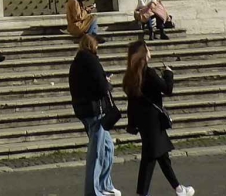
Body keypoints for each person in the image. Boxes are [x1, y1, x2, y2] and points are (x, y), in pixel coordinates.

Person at [123, 40, 194, 196]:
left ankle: (179, 189)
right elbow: (167, 89)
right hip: (153, 121)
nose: (150, 51)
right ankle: (143, 193)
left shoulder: (130, 75)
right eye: (148, 49)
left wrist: (132, 123)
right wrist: (168, 74)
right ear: (144, 54)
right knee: (150, 158)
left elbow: (131, 103)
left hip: (143, 121)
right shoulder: (149, 73)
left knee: (162, 155)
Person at [69, 33, 118, 196]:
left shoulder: (77, 62)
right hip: (94, 110)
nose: (98, 47)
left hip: (84, 109)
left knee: (108, 147)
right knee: (96, 152)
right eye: (96, 44)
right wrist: (107, 83)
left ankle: (105, 184)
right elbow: (101, 87)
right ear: (91, 45)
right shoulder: (91, 61)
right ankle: (93, 191)